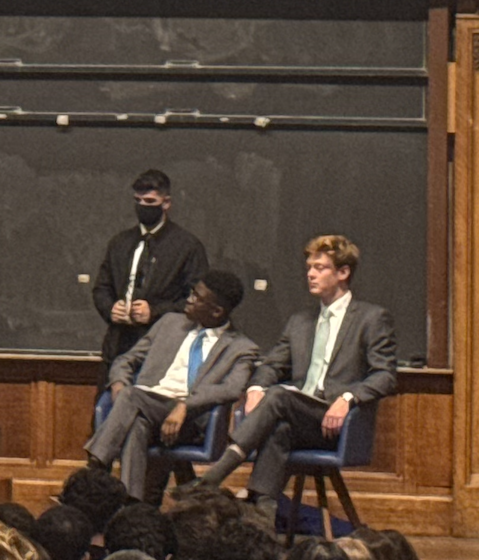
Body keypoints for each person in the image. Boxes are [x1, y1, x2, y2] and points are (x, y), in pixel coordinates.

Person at [194, 236, 396, 518]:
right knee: (279, 429)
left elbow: (385, 375)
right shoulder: (299, 322)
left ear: (343, 272)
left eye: (320, 268)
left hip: (336, 423)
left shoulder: (371, 318)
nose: (310, 274)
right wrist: (255, 388)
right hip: (298, 418)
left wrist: (349, 398)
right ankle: (263, 513)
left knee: (279, 395)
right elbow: (272, 366)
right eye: (309, 267)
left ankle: (217, 473)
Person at [85, 272, 257, 500]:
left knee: (132, 397)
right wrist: (118, 385)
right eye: (192, 292)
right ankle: (133, 503)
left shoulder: (241, 348)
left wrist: (185, 405)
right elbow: (126, 360)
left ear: (216, 311)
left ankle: (96, 468)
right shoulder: (169, 323)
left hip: (189, 421)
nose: (189, 299)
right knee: (137, 424)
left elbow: (231, 389)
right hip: (145, 405)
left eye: (197, 297)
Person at [94, 171, 209, 379]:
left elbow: (197, 301)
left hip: (163, 348)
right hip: (118, 344)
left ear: (166, 203)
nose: (142, 206)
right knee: (111, 397)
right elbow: (102, 287)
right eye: (137, 200)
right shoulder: (120, 242)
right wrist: (110, 308)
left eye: (149, 201)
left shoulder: (187, 246)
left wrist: (155, 311)